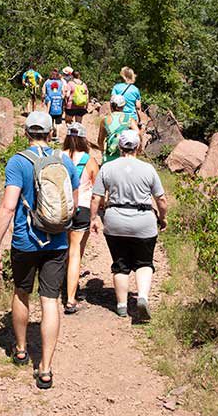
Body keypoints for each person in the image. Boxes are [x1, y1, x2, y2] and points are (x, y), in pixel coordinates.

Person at [0, 111, 79, 389]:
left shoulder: (18, 162)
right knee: (50, 301)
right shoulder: (64, 160)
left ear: (27, 133)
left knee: (21, 291)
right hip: (57, 241)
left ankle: (20, 349)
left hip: (25, 241)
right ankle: (46, 368)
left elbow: (8, 206)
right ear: (51, 132)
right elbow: (74, 204)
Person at [90, 130, 167, 321]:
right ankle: (142, 297)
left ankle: (122, 305)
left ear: (119, 147)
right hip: (143, 221)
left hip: (115, 221)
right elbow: (161, 199)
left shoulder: (107, 168)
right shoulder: (148, 169)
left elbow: (96, 197)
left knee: (120, 264)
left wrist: (93, 219)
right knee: (144, 263)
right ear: (138, 147)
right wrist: (163, 217)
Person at [62, 123, 99, 314]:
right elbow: (96, 191)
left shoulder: (58, 157)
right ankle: (70, 298)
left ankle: (62, 285)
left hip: (60, 209)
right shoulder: (89, 161)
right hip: (82, 208)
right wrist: (95, 217)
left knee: (65, 249)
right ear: (84, 139)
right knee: (76, 252)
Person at [97, 94, 139, 164]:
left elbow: (100, 140)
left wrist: (103, 152)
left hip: (110, 155)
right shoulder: (129, 119)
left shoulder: (105, 120)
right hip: (125, 156)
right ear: (123, 106)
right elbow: (138, 133)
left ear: (111, 105)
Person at [42, 69, 64, 141]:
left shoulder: (47, 82)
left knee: (50, 122)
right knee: (58, 123)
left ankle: (50, 137)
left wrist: (44, 97)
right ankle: (57, 137)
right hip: (58, 105)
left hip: (50, 106)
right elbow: (63, 92)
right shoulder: (60, 82)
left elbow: (43, 91)